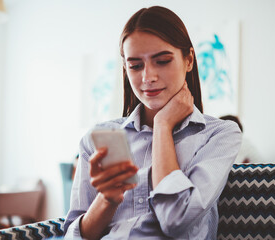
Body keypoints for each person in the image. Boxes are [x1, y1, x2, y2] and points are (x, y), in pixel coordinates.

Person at [64, 6, 242, 239]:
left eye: (162, 61)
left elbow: (175, 220)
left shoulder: (219, 135)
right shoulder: (97, 138)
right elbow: (73, 235)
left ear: (188, 60)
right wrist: (106, 199)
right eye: (136, 65)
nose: (148, 77)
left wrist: (163, 126)